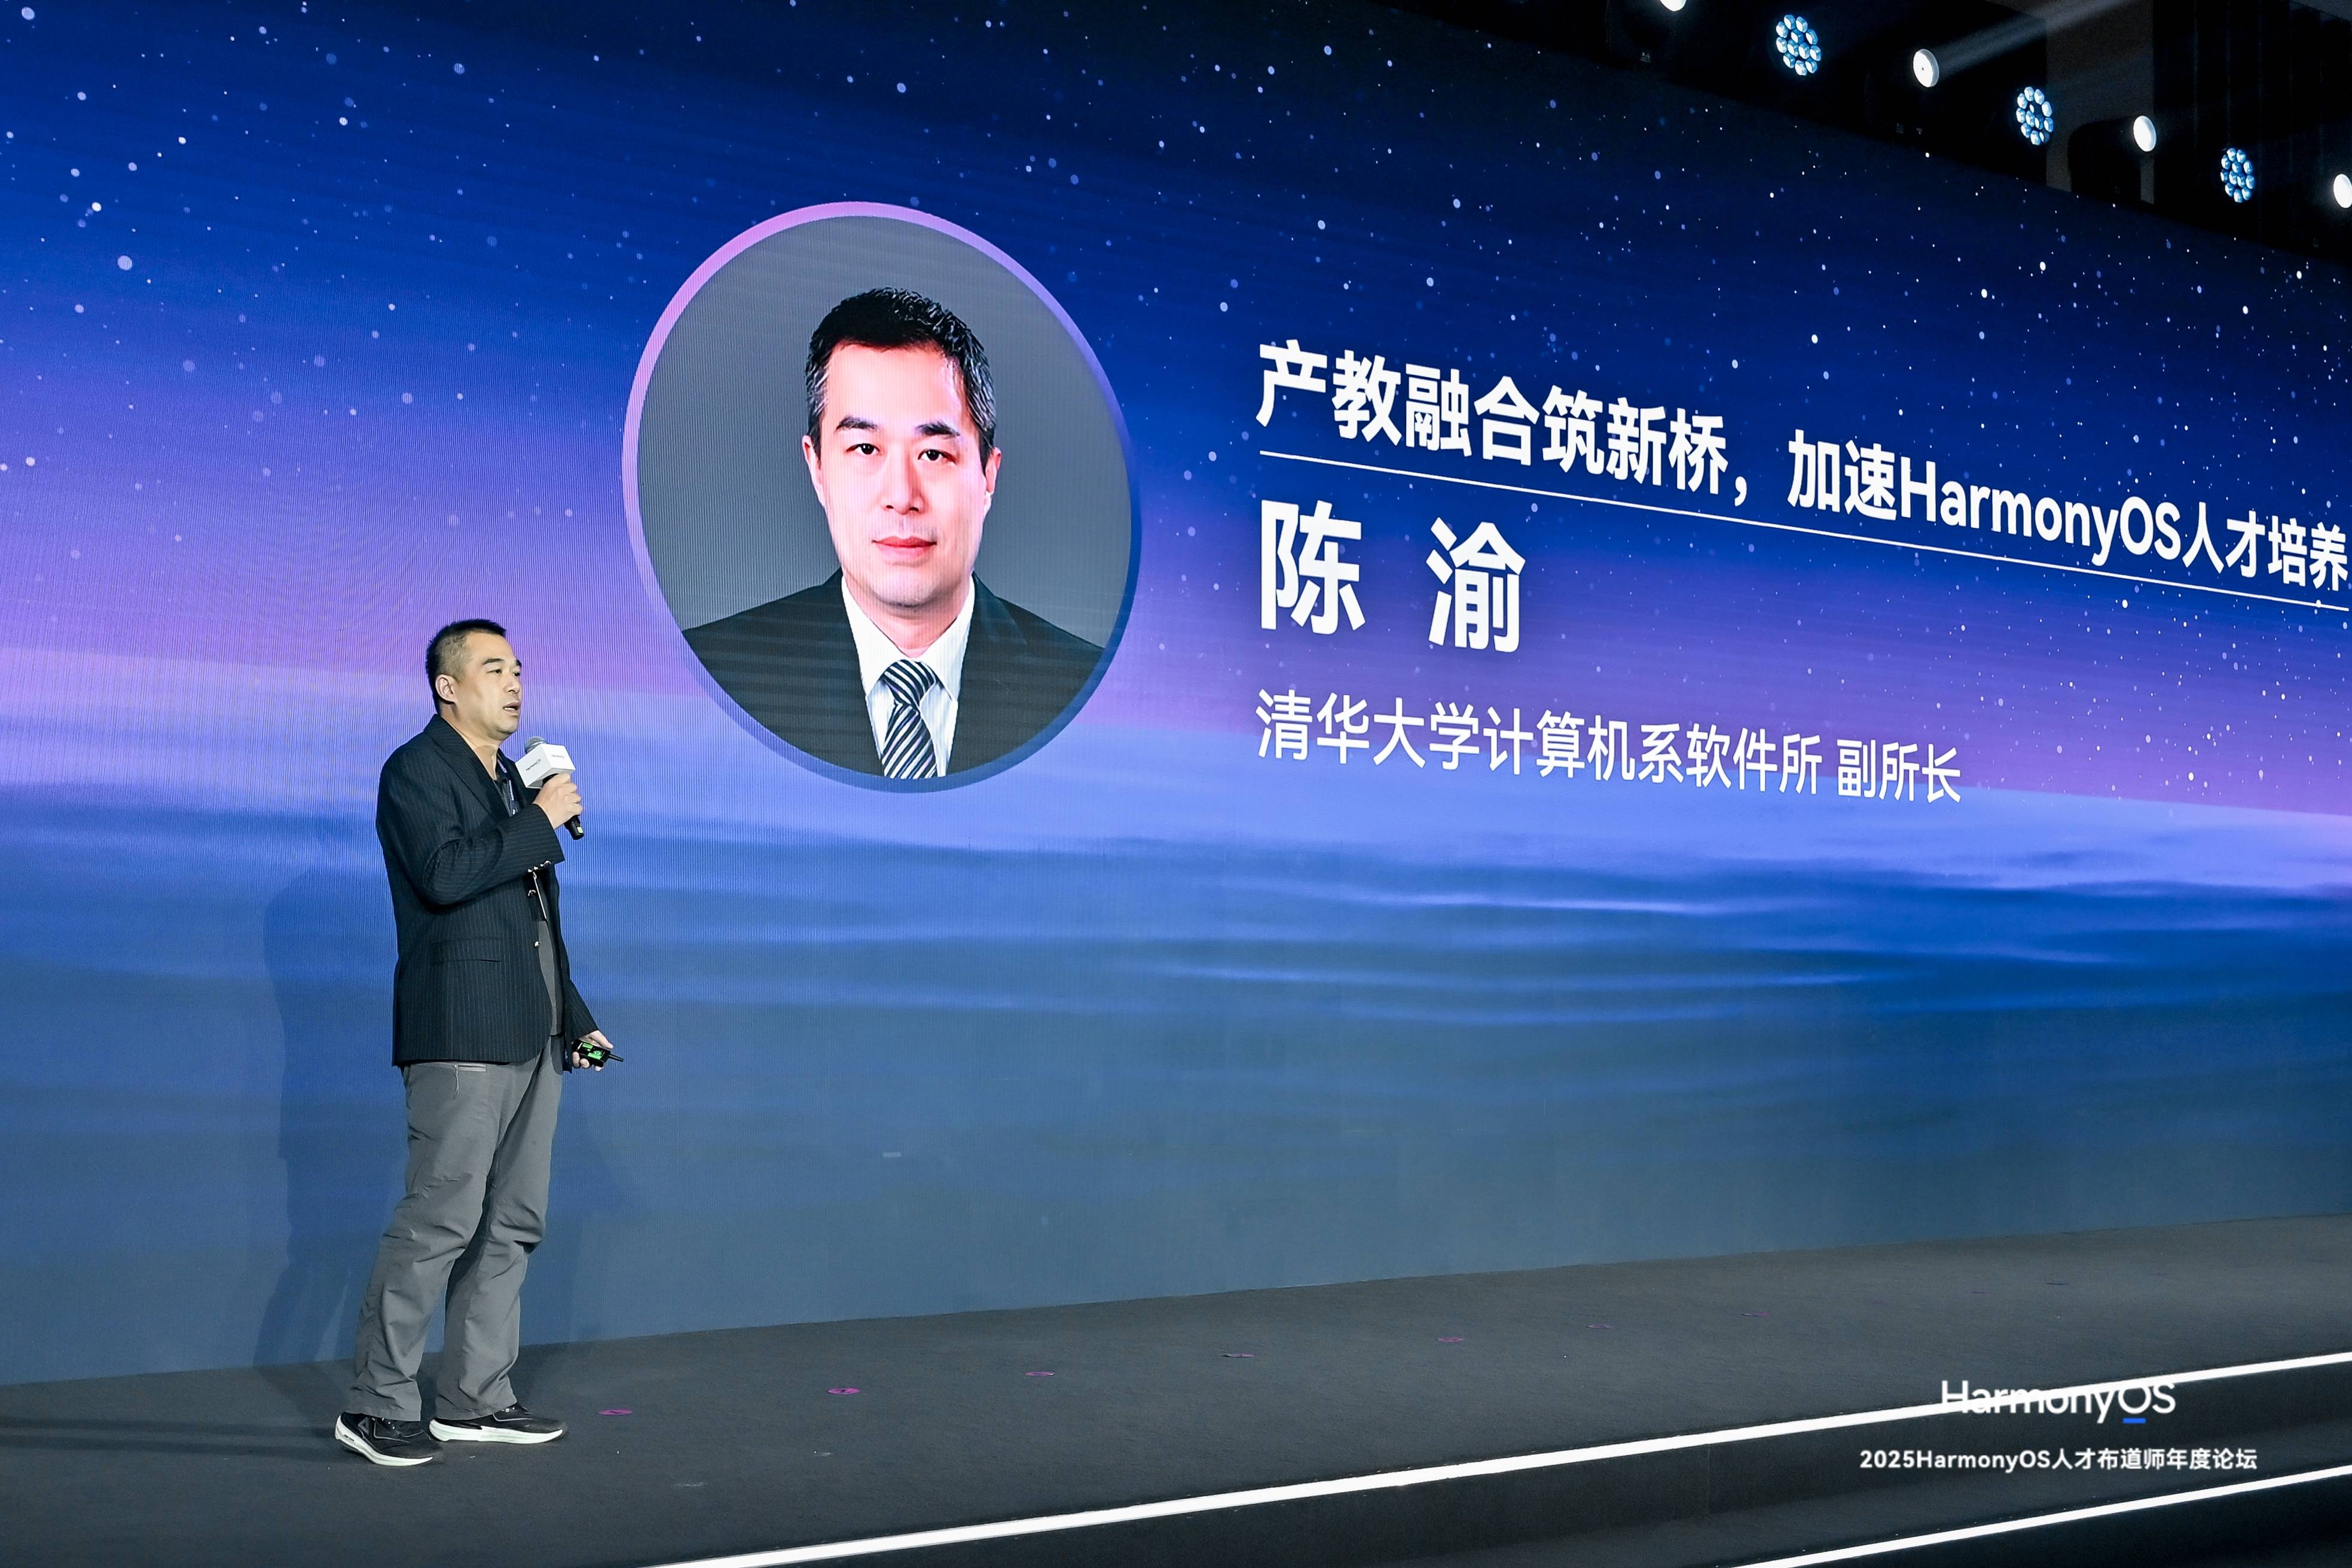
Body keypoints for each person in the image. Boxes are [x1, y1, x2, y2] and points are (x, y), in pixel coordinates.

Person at [334, 618, 618, 1468]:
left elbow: (529, 919)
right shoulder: (417, 769)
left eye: (518, 668)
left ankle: (476, 1397)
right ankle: (376, 1403)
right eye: (494, 668)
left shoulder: (507, 783)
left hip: (532, 1026)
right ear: (447, 687)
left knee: (513, 1220)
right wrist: (538, 818)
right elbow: (446, 874)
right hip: (461, 1028)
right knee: (440, 1219)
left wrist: (573, 1012)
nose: (515, 682)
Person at [684, 288, 1101, 780]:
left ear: (988, 476)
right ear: (817, 468)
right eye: (865, 449)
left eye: (933, 454)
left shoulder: (1088, 693)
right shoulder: (706, 679)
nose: (902, 496)